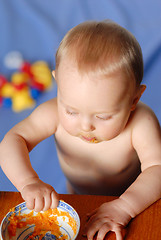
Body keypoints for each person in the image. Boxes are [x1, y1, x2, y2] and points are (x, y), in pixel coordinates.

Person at [0, 20, 161, 240]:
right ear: (59, 85)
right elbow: (13, 139)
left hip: (133, 200)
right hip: (76, 195)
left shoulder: (141, 123)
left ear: (134, 99)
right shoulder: (52, 113)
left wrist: (124, 207)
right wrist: (28, 181)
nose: (86, 126)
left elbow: (157, 169)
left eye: (103, 116)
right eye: (71, 111)